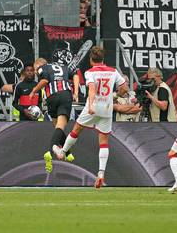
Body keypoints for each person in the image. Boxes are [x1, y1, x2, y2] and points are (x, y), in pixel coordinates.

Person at [54, 46, 128, 188]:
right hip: (106, 108)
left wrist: (92, 105)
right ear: (103, 58)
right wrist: (115, 95)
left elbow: (92, 88)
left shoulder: (89, 73)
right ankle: (101, 173)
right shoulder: (113, 71)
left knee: (76, 130)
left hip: (92, 108)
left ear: (90, 60)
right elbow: (124, 88)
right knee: (104, 141)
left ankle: (63, 152)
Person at [29, 58, 79, 173]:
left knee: (57, 126)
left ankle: (67, 153)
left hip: (51, 97)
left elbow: (45, 81)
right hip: (65, 95)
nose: (36, 73)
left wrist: (34, 90)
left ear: (38, 65)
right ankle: (51, 150)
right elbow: (75, 76)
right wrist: (76, 92)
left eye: (35, 70)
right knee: (60, 127)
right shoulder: (63, 67)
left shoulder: (42, 67)